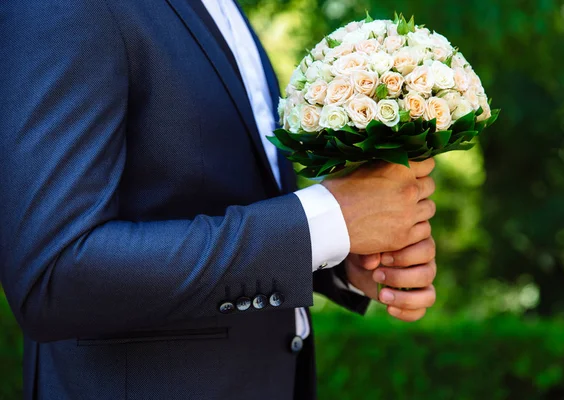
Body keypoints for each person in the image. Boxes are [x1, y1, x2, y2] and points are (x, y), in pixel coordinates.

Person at [0, 0, 437, 399]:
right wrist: (320, 224)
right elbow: (54, 274)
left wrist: (340, 252)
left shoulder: (226, 13)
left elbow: (217, 198)